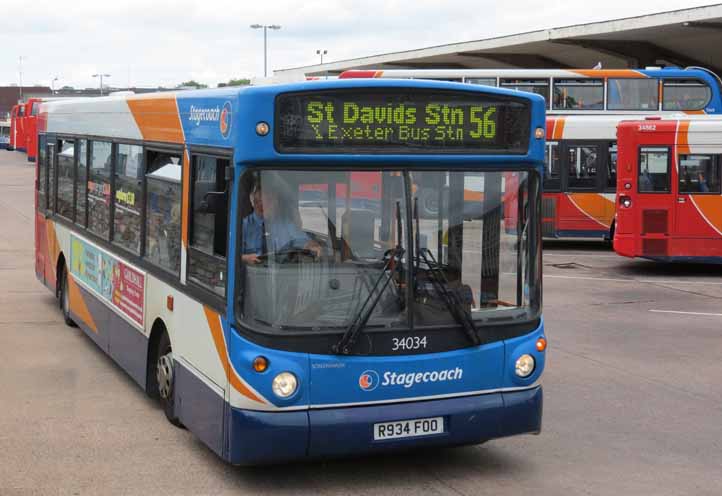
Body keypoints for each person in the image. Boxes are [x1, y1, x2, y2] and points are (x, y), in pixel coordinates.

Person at [241, 183, 321, 264]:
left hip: (281, 272)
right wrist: (245, 258)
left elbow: (303, 240)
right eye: (265, 200)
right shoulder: (243, 226)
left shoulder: (286, 224)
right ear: (254, 203)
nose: (272, 204)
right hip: (251, 272)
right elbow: (231, 255)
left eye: (273, 200)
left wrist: (312, 246)